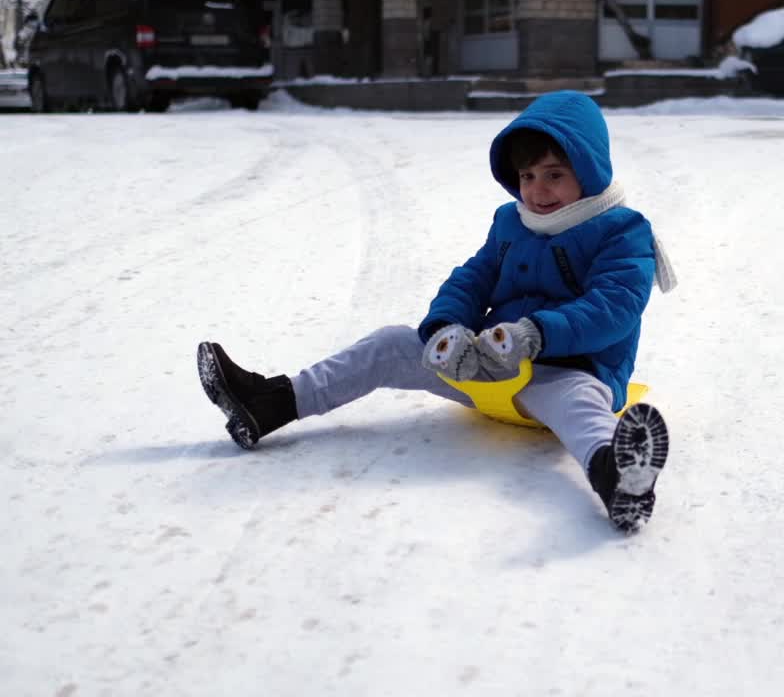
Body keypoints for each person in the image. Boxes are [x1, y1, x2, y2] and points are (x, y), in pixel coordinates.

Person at [196, 90, 677, 533]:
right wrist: (446, 330)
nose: (537, 190)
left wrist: (535, 334)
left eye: (554, 174)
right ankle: (269, 403)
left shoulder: (622, 233)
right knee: (389, 343)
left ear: (588, 171)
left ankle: (620, 480)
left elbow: (613, 308)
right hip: (489, 364)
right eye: (527, 176)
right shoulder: (511, 221)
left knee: (581, 410)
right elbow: (474, 277)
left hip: (568, 372)